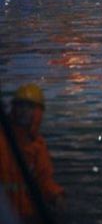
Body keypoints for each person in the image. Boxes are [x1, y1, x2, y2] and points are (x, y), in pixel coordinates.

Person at [0, 84, 65, 223]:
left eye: (29, 107)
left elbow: (44, 178)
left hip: (28, 215)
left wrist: (56, 196)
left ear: (37, 112)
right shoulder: (2, 139)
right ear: (14, 109)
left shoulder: (38, 146)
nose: (24, 111)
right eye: (20, 106)